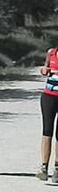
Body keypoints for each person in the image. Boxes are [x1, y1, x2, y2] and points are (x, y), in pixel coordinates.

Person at [36, 48, 58, 182]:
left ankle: (57, 168)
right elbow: (46, 68)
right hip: (48, 96)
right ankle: (43, 167)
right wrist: (44, 71)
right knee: (47, 131)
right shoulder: (51, 53)